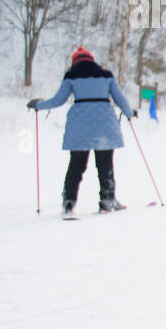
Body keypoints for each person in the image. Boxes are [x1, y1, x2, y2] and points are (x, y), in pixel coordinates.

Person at [27, 46, 136, 218]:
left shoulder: (71, 76)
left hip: (80, 127)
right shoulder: (106, 75)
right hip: (104, 125)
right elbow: (120, 99)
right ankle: (108, 200)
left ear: (75, 61)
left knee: (76, 166)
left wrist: (38, 105)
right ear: (92, 60)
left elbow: (58, 100)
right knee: (105, 165)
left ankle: (69, 202)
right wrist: (130, 113)